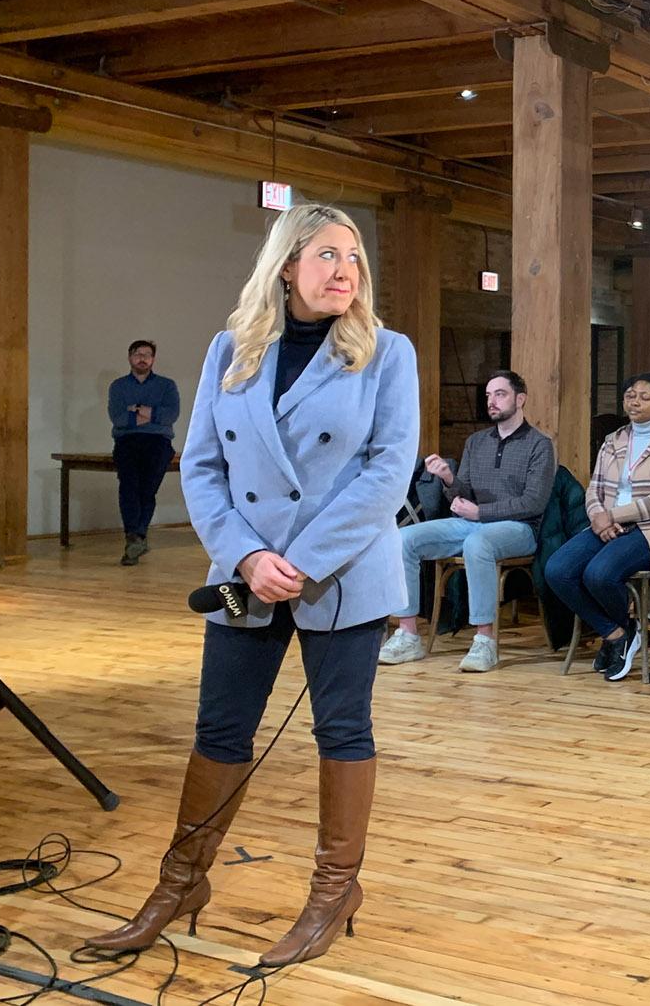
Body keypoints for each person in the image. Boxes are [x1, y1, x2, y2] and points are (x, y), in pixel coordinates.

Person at [85, 204, 417, 969]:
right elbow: (200, 465)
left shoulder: (387, 353)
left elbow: (387, 471)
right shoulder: (230, 349)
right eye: (329, 255)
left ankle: (335, 891)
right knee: (220, 730)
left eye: (355, 259)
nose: (345, 272)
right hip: (245, 574)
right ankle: (180, 883)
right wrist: (245, 558)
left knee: (342, 730)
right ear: (286, 264)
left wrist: (294, 561)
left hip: (337, 572)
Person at [378, 370, 555, 672]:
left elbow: (533, 502)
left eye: (500, 394)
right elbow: (463, 494)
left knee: (477, 542)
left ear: (520, 399)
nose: (492, 401)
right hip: (472, 523)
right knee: (403, 538)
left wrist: (480, 513)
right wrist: (448, 479)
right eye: (488, 395)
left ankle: (484, 642)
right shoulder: (476, 441)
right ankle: (408, 634)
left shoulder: (539, 444)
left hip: (520, 528)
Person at [549, 373, 650, 682]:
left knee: (599, 574)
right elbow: (594, 488)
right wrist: (597, 517)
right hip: (607, 523)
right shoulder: (614, 439)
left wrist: (615, 515)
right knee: (557, 569)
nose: (635, 401)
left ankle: (619, 635)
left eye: (645, 397)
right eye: (631, 394)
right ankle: (619, 633)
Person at [108, 339, 181, 566]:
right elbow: (118, 418)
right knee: (128, 487)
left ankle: (136, 537)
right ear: (130, 357)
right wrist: (151, 414)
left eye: (147, 355)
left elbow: (171, 416)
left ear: (153, 360)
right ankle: (135, 536)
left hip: (158, 443)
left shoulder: (167, 386)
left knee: (147, 490)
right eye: (138, 354)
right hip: (127, 442)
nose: (142, 358)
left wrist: (136, 410)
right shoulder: (118, 386)